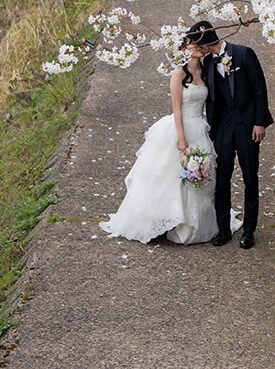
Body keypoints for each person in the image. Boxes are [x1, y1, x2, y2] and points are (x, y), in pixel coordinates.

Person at [100, 33, 239, 244]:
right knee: (170, 175)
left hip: (199, 127)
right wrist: (181, 140)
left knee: (199, 176)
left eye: (199, 44)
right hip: (179, 127)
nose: (198, 47)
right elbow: (176, 108)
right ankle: (167, 220)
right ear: (184, 48)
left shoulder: (207, 70)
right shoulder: (178, 74)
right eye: (193, 44)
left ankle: (190, 221)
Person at [186, 20, 272, 249]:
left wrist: (259, 122)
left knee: (250, 177)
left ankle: (249, 231)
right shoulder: (208, 62)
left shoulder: (244, 54)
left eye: (196, 43)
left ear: (204, 43)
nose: (195, 48)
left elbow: (259, 89)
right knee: (221, 178)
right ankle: (223, 229)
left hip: (247, 126)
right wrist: (212, 132)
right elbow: (212, 101)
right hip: (223, 128)